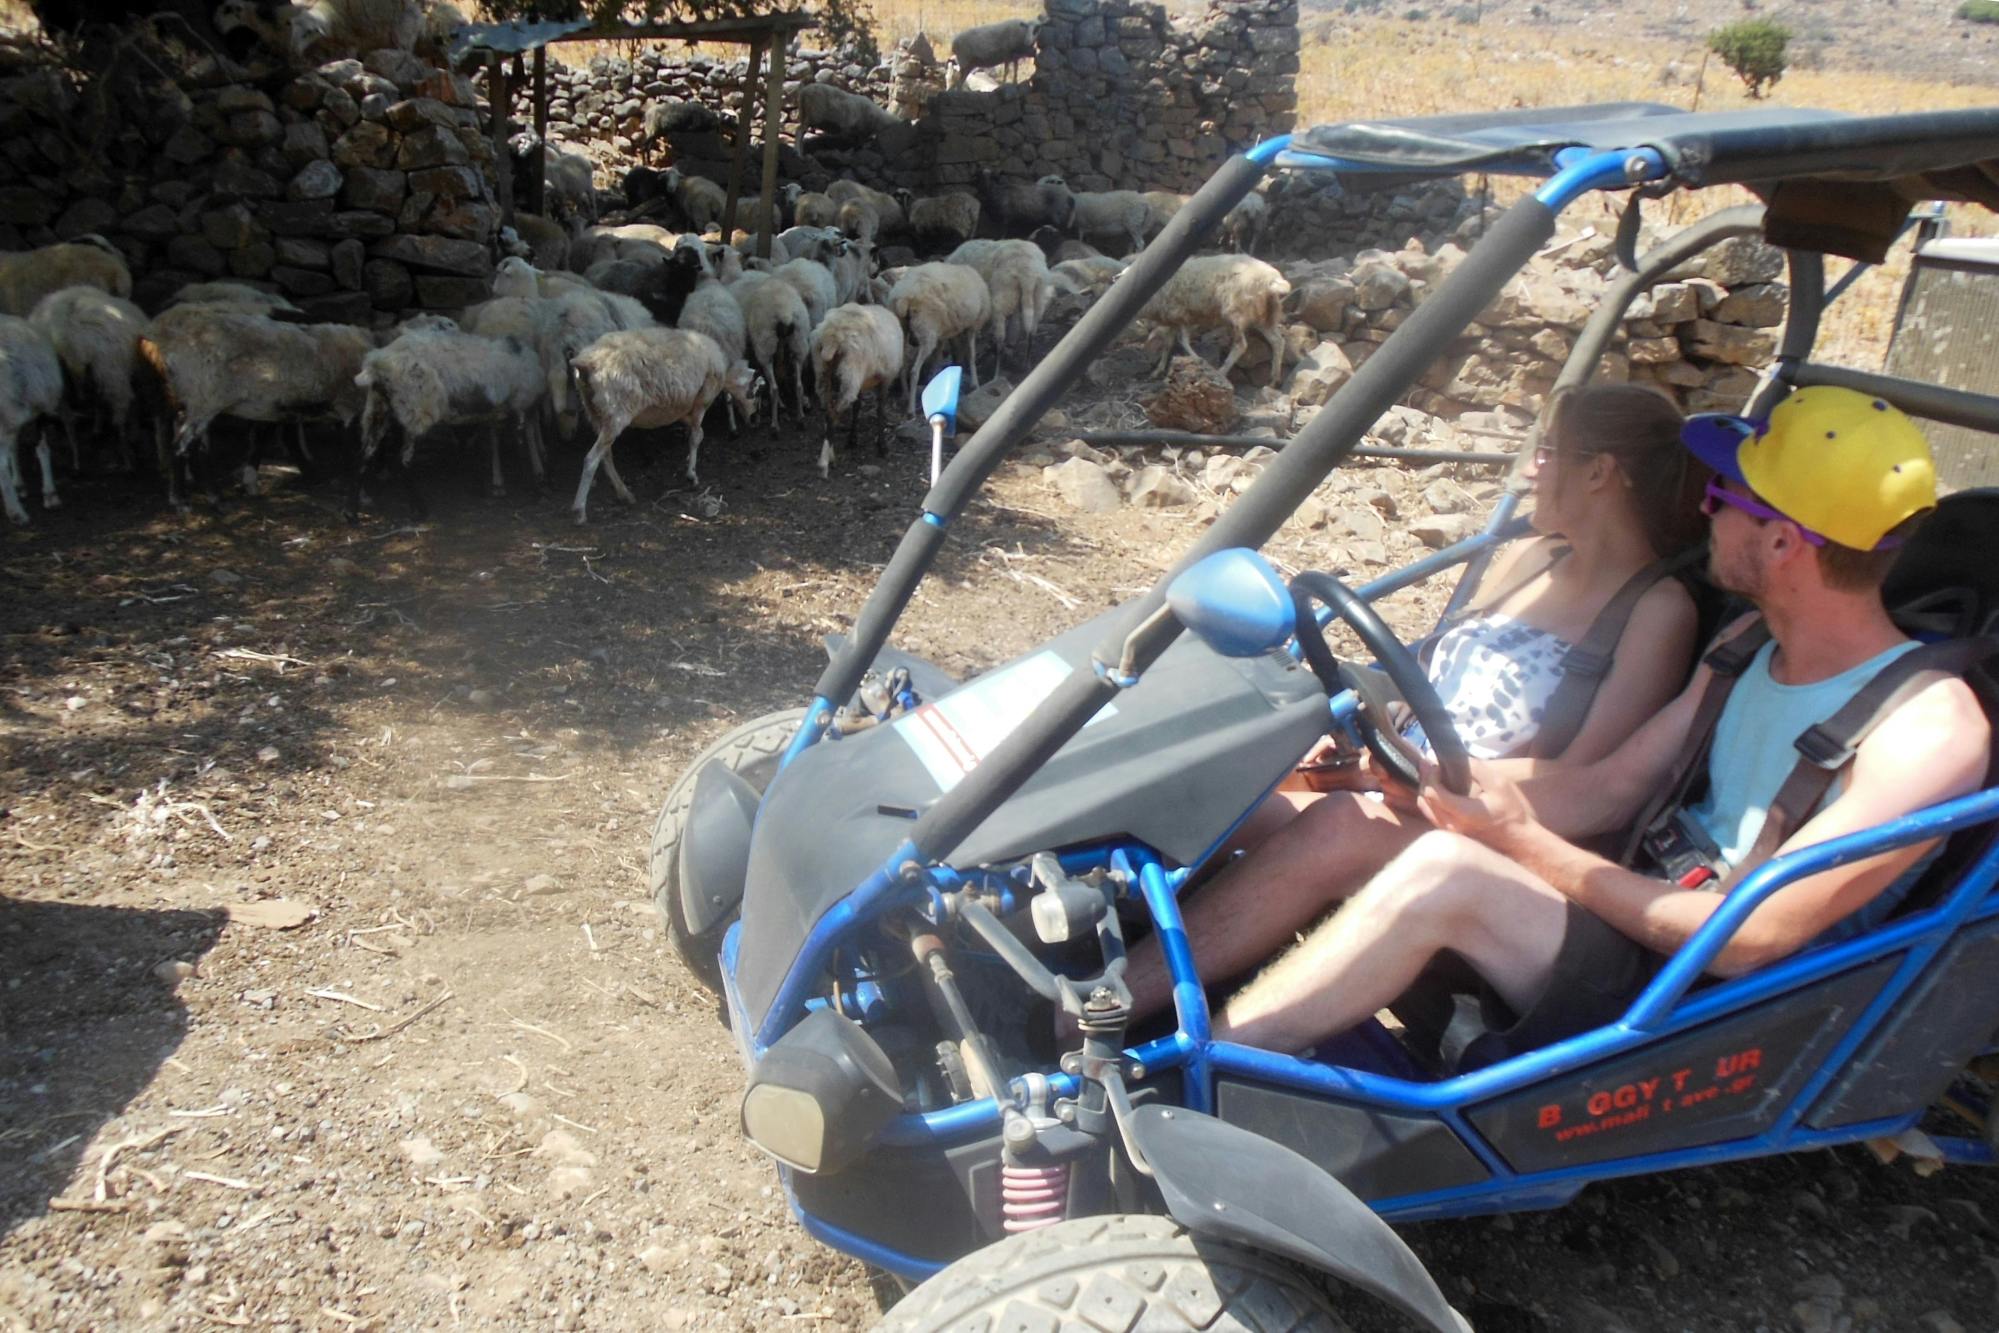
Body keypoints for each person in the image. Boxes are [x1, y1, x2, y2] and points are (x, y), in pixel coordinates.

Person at [1213, 386, 1991, 1058]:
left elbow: (1748, 939)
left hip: (1703, 995)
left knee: (1443, 872)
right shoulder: (1748, 642)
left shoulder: (1926, 732)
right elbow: (1611, 790)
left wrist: (1517, 840)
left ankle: (1198, 1070)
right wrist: (1438, 786)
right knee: (1359, 821)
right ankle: (1122, 1008)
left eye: (1719, 499)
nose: (1701, 514)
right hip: (1636, 904)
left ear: (1783, 542)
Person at [1123, 383, 1706, 1022]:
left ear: (1600, 473)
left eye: (1547, 451)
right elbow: (1433, 680)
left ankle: (1112, 1012)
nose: (1529, 469)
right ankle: (1098, 944)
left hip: (1484, 824)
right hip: (1402, 774)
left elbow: (1578, 784)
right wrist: (1374, 742)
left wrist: (1415, 774)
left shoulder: (1657, 610)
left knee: (1339, 827)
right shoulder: (1535, 557)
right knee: (1238, 789)